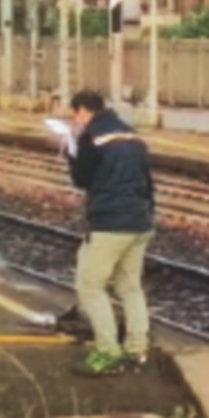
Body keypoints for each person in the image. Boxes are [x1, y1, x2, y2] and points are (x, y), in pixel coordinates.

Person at [65, 90, 155, 375]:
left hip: (110, 223)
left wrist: (71, 152)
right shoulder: (133, 136)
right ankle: (137, 350)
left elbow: (82, 179)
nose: (75, 121)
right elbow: (147, 180)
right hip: (140, 220)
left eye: (75, 115)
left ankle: (107, 351)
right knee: (130, 286)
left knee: (90, 286)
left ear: (82, 110)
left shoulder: (91, 137)